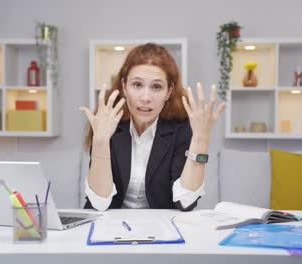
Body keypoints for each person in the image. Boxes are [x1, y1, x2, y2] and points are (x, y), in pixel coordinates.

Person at [79, 43, 225, 211]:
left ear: (169, 92)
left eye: (156, 87)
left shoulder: (181, 126)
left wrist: (201, 138)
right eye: (137, 85)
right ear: (124, 87)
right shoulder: (108, 122)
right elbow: (99, 203)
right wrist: (100, 141)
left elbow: (186, 202)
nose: (146, 97)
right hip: (109, 227)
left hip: (162, 229)